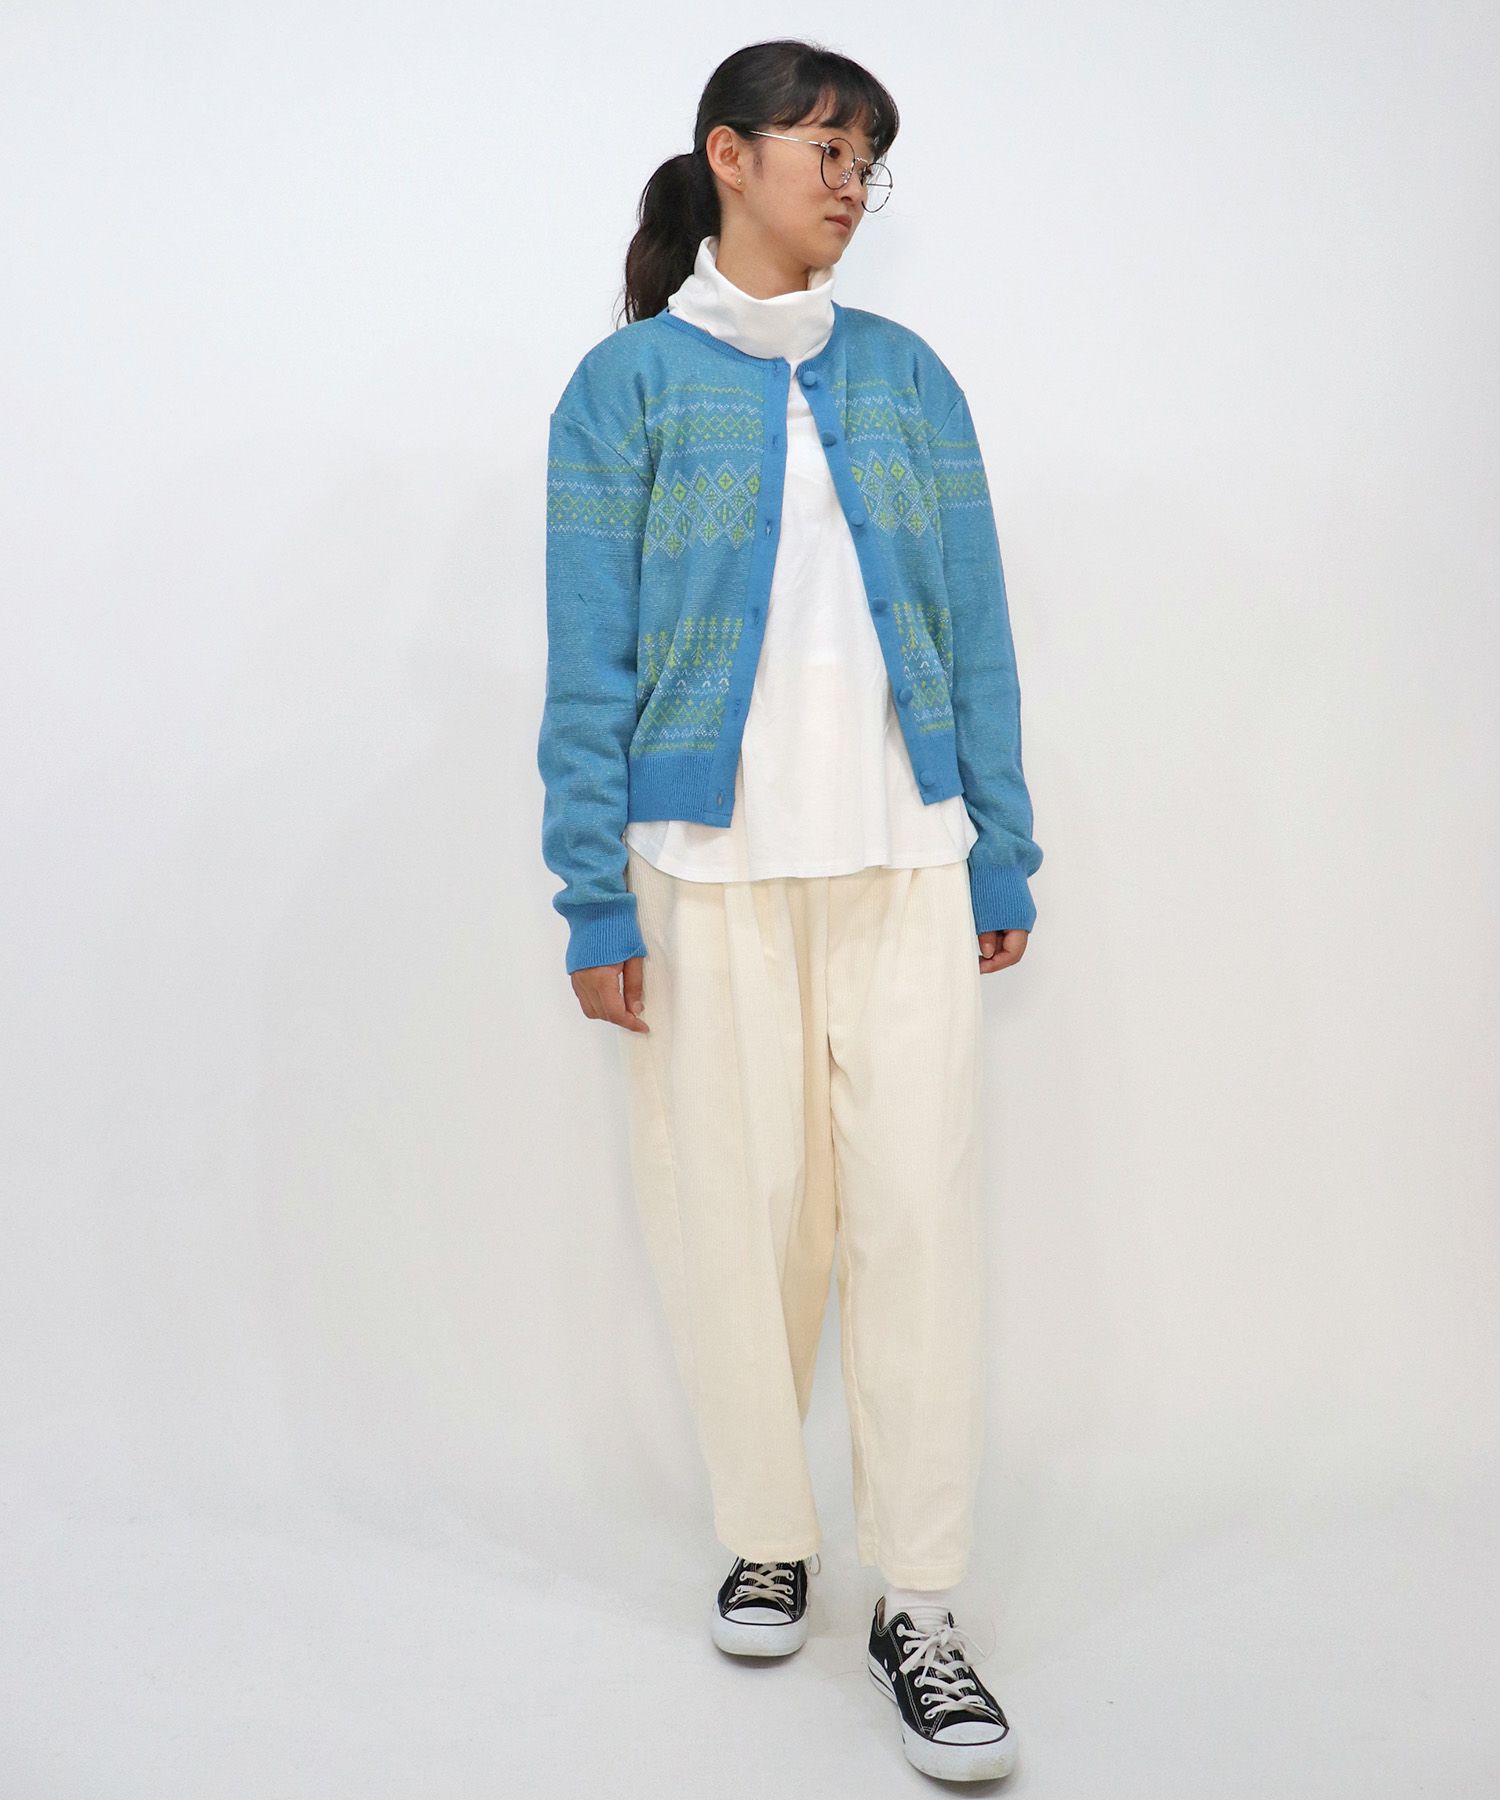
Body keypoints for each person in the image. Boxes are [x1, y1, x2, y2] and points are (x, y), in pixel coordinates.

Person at [537, 37, 1040, 1784]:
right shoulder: (624, 391)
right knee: (731, 1228)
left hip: (905, 861)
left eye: (868, 159)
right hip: (705, 879)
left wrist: (1002, 846)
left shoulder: (906, 378)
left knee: (916, 1220)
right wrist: (591, 897)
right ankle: (768, 1534)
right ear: (728, 155)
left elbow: (976, 626)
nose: (852, 182)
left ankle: (922, 1601)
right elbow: (589, 664)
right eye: (828, 147)